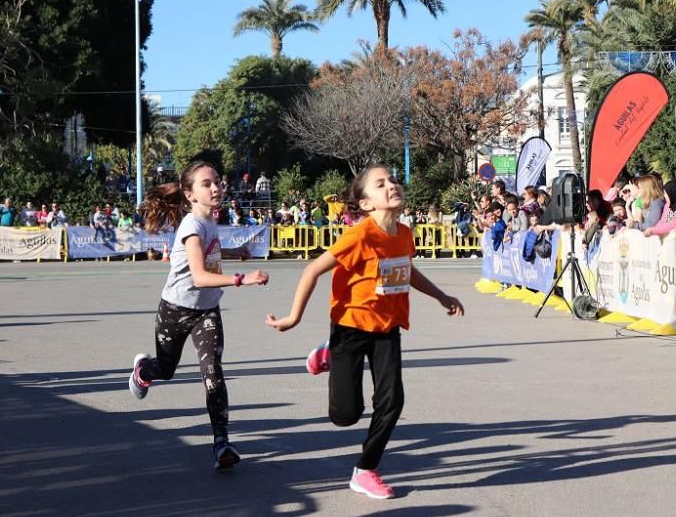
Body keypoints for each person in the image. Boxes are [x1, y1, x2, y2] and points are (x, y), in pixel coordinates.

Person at [265, 164, 464, 499]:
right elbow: (313, 269)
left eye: (393, 180)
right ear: (367, 203)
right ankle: (327, 353)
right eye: (380, 183)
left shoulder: (403, 234)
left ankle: (365, 469)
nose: (391, 185)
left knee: (392, 402)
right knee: (345, 415)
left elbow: (408, 271)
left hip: (387, 327)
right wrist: (293, 317)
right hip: (350, 326)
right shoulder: (359, 235)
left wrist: (442, 296)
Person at [127, 160, 270, 470]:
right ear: (190, 195)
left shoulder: (209, 221)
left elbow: (212, 254)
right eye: (207, 184)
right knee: (166, 369)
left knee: (213, 371)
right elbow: (199, 276)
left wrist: (235, 253)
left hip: (206, 310)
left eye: (217, 181)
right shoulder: (191, 226)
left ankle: (222, 444)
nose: (216, 187)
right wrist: (241, 278)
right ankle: (143, 371)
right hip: (176, 310)